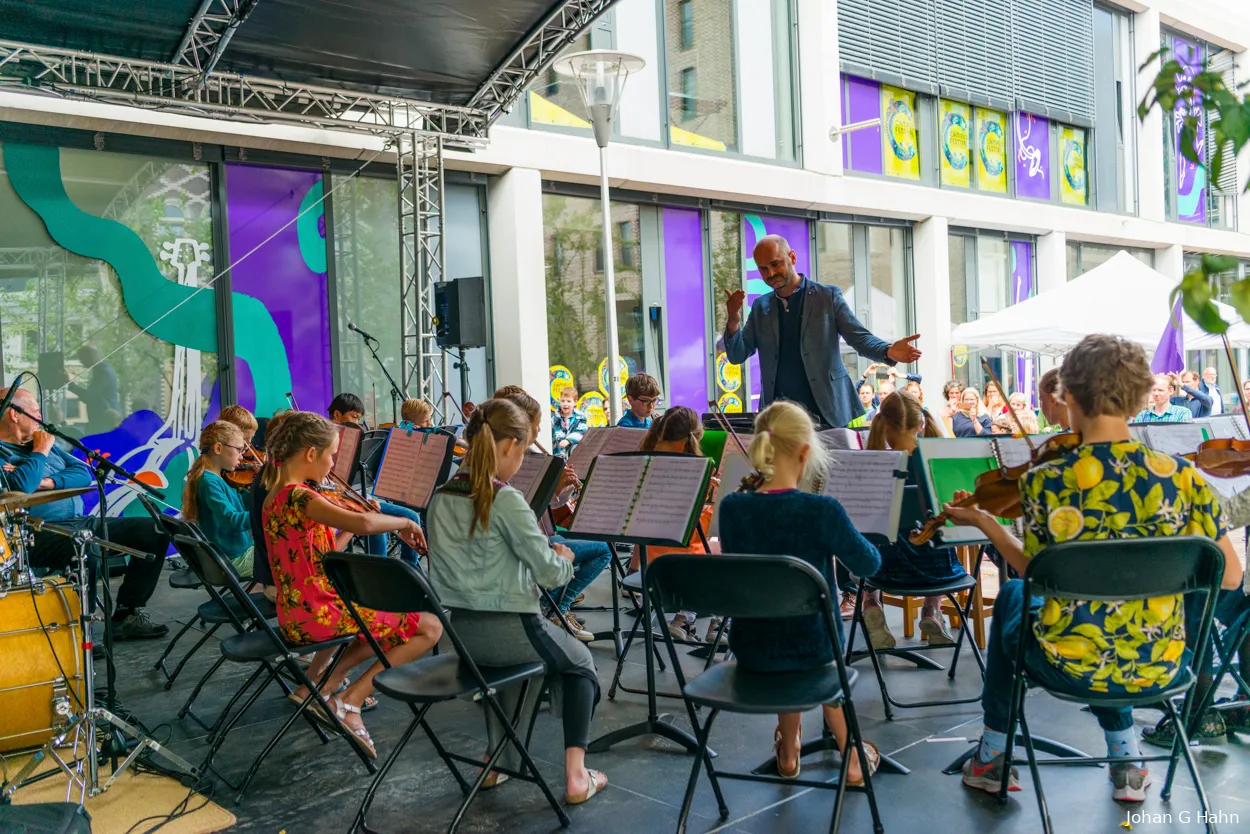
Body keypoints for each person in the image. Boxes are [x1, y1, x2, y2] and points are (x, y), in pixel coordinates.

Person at [943, 334, 1243, 803]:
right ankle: (1126, 760)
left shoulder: (1047, 482)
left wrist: (990, 526)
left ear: (1070, 395)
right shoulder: (1184, 479)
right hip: (1162, 664)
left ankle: (992, 755)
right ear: (1142, 396)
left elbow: (1038, 573)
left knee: (1014, 597)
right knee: (1110, 607)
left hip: (1069, 662)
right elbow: (1229, 576)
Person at [426, 399, 608, 804]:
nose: (522, 460)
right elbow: (549, 575)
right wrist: (563, 558)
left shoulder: (440, 497)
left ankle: (498, 760)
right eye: (523, 452)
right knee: (580, 663)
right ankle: (577, 776)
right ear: (508, 446)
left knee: (513, 670)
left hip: (465, 636)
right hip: (514, 629)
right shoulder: (505, 499)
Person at [719, 401, 882, 784]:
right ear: (806, 452)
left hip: (753, 650)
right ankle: (852, 753)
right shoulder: (822, 510)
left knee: (780, 621)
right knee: (816, 645)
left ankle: (789, 748)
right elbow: (869, 564)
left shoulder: (731, 509)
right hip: (815, 652)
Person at [262, 411, 441, 759]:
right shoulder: (300, 497)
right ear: (311, 454)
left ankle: (319, 687)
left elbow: (328, 550)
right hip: (319, 613)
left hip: (299, 612)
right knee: (430, 627)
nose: (332, 465)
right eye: (331, 455)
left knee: (376, 626)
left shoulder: (276, 497)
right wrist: (403, 520)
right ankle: (350, 700)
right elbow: (363, 521)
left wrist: (354, 526)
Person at [0, 387, 170, 638]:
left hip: (80, 522)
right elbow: (23, 486)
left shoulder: (43, 442)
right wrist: (40, 453)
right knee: (84, 548)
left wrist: (45, 481)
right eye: (36, 411)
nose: (41, 417)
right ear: (15, 414)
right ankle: (82, 633)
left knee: (154, 530)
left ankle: (126, 614)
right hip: (35, 532)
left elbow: (82, 473)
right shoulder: (27, 447)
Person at [723, 234, 921, 428]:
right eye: (763, 269)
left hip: (827, 411)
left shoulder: (827, 296)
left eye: (776, 264)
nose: (771, 273)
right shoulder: (760, 306)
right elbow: (737, 355)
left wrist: (887, 351)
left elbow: (858, 338)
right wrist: (733, 319)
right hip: (779, 417)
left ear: (792, 257)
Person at [495, 385, 608, 642]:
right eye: (538, 424)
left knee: (593, 546)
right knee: (603, 551)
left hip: (541, 536)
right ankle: (557, 607)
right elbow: (524, 516)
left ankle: (557, 604)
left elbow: (550, 508)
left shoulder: (524, 459)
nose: (540, 431)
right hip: (533, 545)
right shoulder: (519, 464)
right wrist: (551, 489)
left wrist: (562, 489)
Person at [858, 392, 967, 649]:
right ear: (921, 424)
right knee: (937, 539)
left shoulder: (870, 465)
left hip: (885, 572)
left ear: (882, 424)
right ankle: (932, 612)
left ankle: (871, 604)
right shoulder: (935, 464)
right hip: (937, 574)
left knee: (867, 540)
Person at [637, 407, 724, 644]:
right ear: (692, 440)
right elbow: (694, 530)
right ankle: (718, 622)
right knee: (725, 542)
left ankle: (685, 619)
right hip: (682, 568)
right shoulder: (690, 470)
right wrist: (715, 499)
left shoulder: (642, 461)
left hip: (651, 566)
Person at [329, 396, 422, 565]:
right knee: (377, 522)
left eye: (359, 418)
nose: (357, 423)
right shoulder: (328, 442)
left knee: (412, 516)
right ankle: (379, 573)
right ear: (336, 415)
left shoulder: (356, 439)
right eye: (353, 417)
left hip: (361, 496)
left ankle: (410, 569)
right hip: (342, 499)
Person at [183, 420, 255, 578]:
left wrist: (260, 493)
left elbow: (239, 502)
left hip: (237, 552)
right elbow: (231, 521)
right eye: (239, 450)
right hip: (234, 559)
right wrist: (266, 514)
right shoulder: (209, 482)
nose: (242, 457)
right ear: (218, 448)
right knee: (286, 556)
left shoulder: (215, 478)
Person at [65, 345, 121, 434]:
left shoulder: (103, 372)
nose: (81, 362)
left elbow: (89, 396)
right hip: (104, 417)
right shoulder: (101, 370)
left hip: (106, 418)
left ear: (89, 357)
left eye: (82, 359)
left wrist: (70, 384)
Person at [552, 386, 587, 458]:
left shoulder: (580, 417)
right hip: (558, 454)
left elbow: (581, 432)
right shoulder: (555, 418)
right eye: (562, 401)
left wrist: (568, 440)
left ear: (575, 402)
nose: (565, 404)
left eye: (568, 401)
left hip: (574, 455)